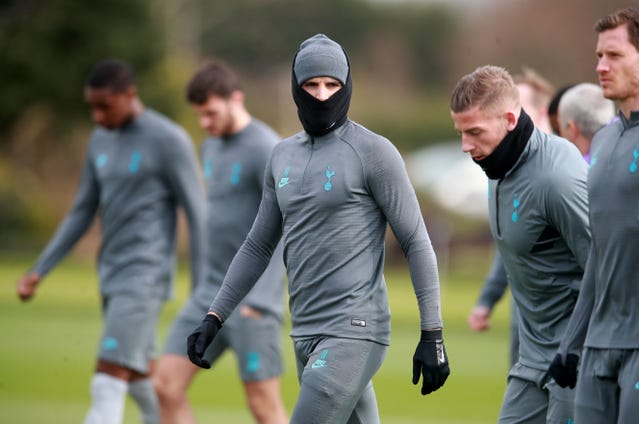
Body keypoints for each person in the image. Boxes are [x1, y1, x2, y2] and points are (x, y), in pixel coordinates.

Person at [187, 33, 450, 423]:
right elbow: (259, 245)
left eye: (332, 84)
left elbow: (415, 241)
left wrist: (434, 333)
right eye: (311, 84)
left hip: (355, 330)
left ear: (347, 87)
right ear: (296, 87)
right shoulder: (281, 156)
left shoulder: (375, 152)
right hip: (304, 330)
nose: (322, 95)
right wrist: (215, 316)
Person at [16, 59, 206, 424]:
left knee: (107, 378)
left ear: (130, 95)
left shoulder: (169, 140)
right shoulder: (100, 140)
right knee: (139, 379)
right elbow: (81, 212)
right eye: (92, 107)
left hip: (145, 278)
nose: (98, 116)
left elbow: (199, 217)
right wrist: (40, 269)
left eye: (105, 106)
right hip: (111, 274)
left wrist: (201, 291)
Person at [451, 64, 590, 423]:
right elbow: (514, 245)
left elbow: (606, 267)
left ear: (510, 120)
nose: (466, 146)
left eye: (475, 132)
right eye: (461, 133)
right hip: (530, 360)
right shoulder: (496, 165)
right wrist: (487, 298)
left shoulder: (556, 179)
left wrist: (573, 349)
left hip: (577, 359)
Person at [153, 60, 288, 424]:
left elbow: (287, 229)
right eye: (199, 115)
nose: (205, 123)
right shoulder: (210, 148)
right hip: (209, 295)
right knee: (165, 385)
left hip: (252, 301)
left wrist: (261, 300)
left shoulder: (267, 149)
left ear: (235, 99)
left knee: (263, 406)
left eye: (211, 113)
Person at [547, 7, 639, 423]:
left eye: (615, 56)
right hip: (599, 345)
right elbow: (600, 255)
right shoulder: (601, 141)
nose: (601, 66)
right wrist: (572, 341)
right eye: (599, 56)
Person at [467, 67, 555, 368]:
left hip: (562, 320)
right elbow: (507, 243)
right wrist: (487, 299)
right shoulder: (499, 169)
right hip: (523, 314)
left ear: (541, 112)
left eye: (518, 104)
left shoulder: (562, 170)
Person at [556, 82, 615, 164]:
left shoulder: (580, 171)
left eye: (559, 129)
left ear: (571, 129)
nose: (559, 136)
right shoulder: (631, 148)